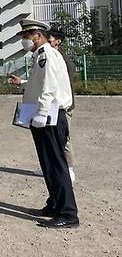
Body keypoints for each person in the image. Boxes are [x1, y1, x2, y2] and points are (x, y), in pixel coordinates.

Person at [8, 19, 78, 229]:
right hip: (44, 116)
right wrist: (22, 83)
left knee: (56, 164)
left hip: (51, 117)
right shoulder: (40, 56)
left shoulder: (47, 55)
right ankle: (55, 204)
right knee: (48, 164)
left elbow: (49, 87)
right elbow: (41, 83)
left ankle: (68, 213)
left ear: (38, 35)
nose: (24, 40)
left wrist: (42, 112)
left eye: (26, 36)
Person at [48, 28, 77, 182]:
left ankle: (69, 169)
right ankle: (56, 166)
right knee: (53, 138)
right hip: (54, 105)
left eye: (50, 38)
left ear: (58, 41)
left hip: (63, 106)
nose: (48, 40)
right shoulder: (52, 56)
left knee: (65, 138)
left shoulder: (62, 59)